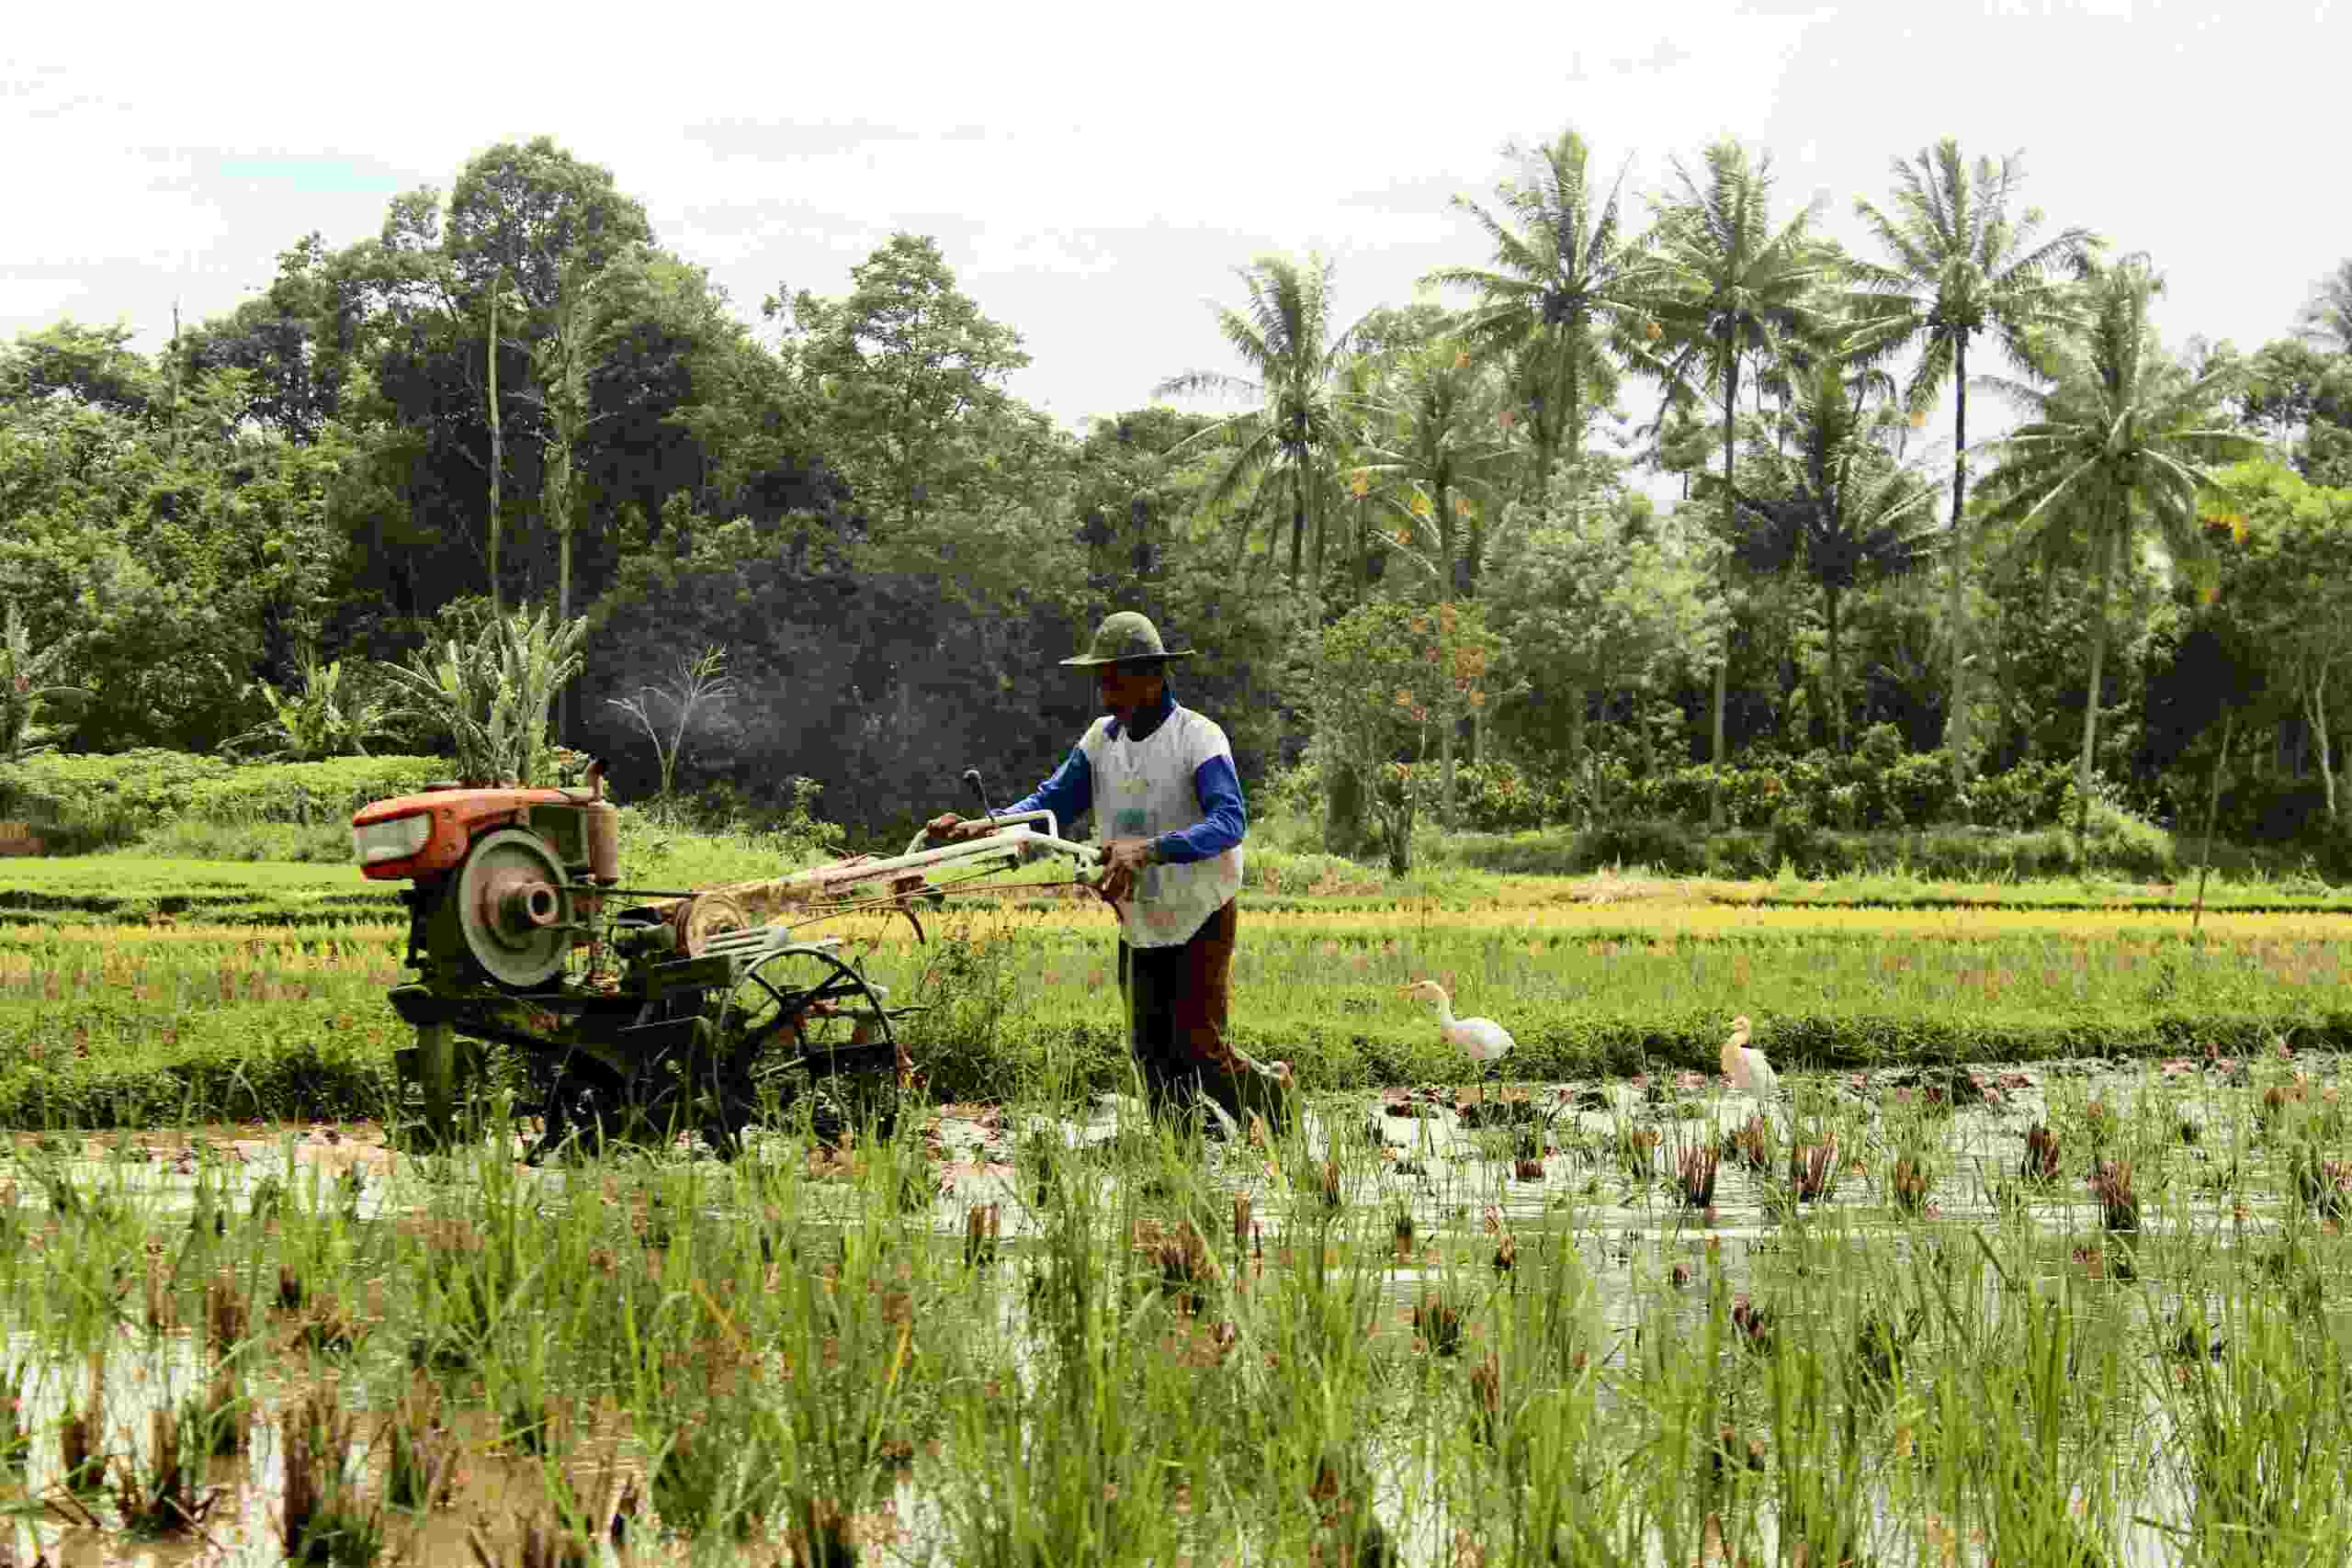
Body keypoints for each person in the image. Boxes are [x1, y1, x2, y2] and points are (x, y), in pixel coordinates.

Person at [925, 611, 1294, 1135]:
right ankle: (1180, 1157)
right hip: (1139, 916)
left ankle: (1276, 1105)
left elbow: (1229, 822)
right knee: (1149, 1051)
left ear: (1151, 677)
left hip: (1201, 910)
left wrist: (1150, 850)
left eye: (1114, 678)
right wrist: (985, 826)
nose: (1104, 692)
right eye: (1101, 679)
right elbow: (1052, 801)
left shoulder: (1198, 738)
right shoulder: (1102, 740)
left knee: (1199, 1046)